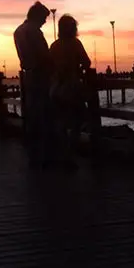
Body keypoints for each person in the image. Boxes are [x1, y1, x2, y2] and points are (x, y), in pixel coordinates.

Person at [48, 14, 91, 170]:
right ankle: (70, 155)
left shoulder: (54, 46)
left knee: (60, 122)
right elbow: (87, 62)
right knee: (78, 121)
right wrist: (78, 69)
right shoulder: (75, 44)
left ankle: (63, 154)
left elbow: (48, 66)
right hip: (71, 89)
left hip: (55, 89)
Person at [14, 1, 52, 166]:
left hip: (27, 75)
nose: (45, 22)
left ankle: (33, 148)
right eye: (44, 18)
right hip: (40, 75)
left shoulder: (18, 31)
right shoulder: (34, 32)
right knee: (43, 112)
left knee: (31, 111)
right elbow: (44, 55)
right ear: (37, 16)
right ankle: (44, 151)